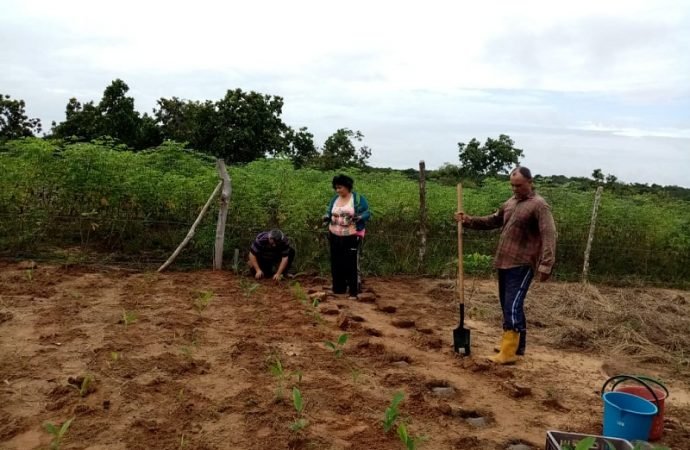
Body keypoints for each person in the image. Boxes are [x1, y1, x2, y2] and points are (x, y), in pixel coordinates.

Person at [455, 166, 556, 364]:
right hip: (505, 261)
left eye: (518, 185)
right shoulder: (510, 203)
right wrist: (468, 220)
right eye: (512, 185)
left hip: (523, 263)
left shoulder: (539, 205)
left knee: (512, 306)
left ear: (530, 182)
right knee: (509, 305)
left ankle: (508, 352)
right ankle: (517, 346)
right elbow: (493, 220)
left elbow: (549, 234)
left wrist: (546, 264)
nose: (515, 189)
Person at [323, 174, 371, 299]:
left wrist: (359, 217)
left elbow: (367, 213)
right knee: (336, 261)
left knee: (350, 262)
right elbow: (329, 211)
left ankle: (353, 291)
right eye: (336, 188)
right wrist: (326, 217)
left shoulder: (358, 199)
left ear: (347, 186)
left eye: (340, 187)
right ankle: (338, 289)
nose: (338, 190)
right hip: (334, 234)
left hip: (351, 235)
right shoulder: (335, 199)